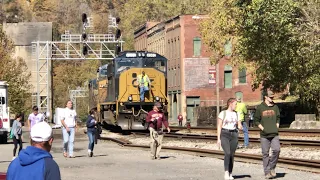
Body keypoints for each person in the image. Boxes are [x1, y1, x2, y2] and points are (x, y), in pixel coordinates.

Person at [254, 90, 280, 179]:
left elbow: (278, 118)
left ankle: (272, 167)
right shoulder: (260, 107)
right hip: (264, 135)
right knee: (265, 154)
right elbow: (256, 120)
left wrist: (277, 126)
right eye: (270, 97)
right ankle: (267, 172)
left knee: (277, 150)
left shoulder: (275, 107)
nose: (272, 98)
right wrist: (263, 128)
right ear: (265, 97)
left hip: (274, 134)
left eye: (273, 97)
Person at [217, 98, 243, 180]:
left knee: (232, 154)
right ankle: (226, 172)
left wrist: (240, 126)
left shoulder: (237, 114)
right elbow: (219, 126)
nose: (236, 106)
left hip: (234, 134)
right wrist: (218, 139)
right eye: (235, 104)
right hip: (224, 134)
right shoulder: (223, 113)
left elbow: (239, 124)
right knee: (227, 153)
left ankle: (231, 173)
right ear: (230, 104)